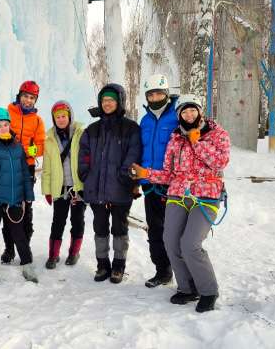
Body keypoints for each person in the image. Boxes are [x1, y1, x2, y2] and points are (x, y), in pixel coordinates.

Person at [130, 94, 230, 313]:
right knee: (170, 240)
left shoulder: (216, 133)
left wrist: (196, 141)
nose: (189, 114)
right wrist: (146, 173)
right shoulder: (176, 138)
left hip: (206, 195)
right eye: (184, 111)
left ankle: (208, 290)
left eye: (192, 110)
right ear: (179, 115)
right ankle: (187, 288)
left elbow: (220, 161)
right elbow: (168, 173)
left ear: (200, 111)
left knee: (190, 244)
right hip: (178, 194)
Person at [78, 83, 141, 284]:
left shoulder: (131, 128)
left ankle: (119, 266)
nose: (107, 104)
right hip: (96, 190)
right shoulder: (92, 130)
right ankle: (102, 264)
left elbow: (134, 154)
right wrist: (85, 175)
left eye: (111, 100)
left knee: (120, 228)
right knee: (100, 227)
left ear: (119, 102)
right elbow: (84, 156)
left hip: (121, 189)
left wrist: (124, 178)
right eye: (104, 100)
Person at [0, 80, 45, 264]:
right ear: (19, 96)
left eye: (32, 98)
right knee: (6, 209)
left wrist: (34, 151)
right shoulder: (8, 114)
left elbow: (40, 144)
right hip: (2, 165)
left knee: (24, 209)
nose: (28, 100)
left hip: (25, 166)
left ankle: (24, 245)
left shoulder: (37, 120)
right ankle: (9, 248)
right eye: (25, 96)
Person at [0, 108, 37, 284]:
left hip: (14, 201)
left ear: (9, 125)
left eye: (5, 125)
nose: (3, 128)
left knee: (19, 233)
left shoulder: (17, 147)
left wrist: (28, 195)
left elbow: (25, 174)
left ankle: (27, 266)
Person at [139, 74, 179, 288]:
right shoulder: (144, 121)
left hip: (173, 186)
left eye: (159, 93)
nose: (155, 97)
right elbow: (140, 150)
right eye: (151, 94)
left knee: (174, 231)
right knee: (154, 229)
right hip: (149, 185)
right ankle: (162, 271)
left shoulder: (176, 117)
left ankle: (183, 273)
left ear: (166, 94)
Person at [41, 100, 86, 269]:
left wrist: (87, 185)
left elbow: (87, 161)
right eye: (57, 117)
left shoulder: (81, 134)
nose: (61, 119)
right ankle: (53, 255)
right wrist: (47, 190)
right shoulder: (49, 139)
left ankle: (74, 252)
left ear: (70, 116)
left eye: (63, 116)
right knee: (58, 221)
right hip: (60, 188)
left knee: (77, 220)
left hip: (77, 188)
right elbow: (47, 168)